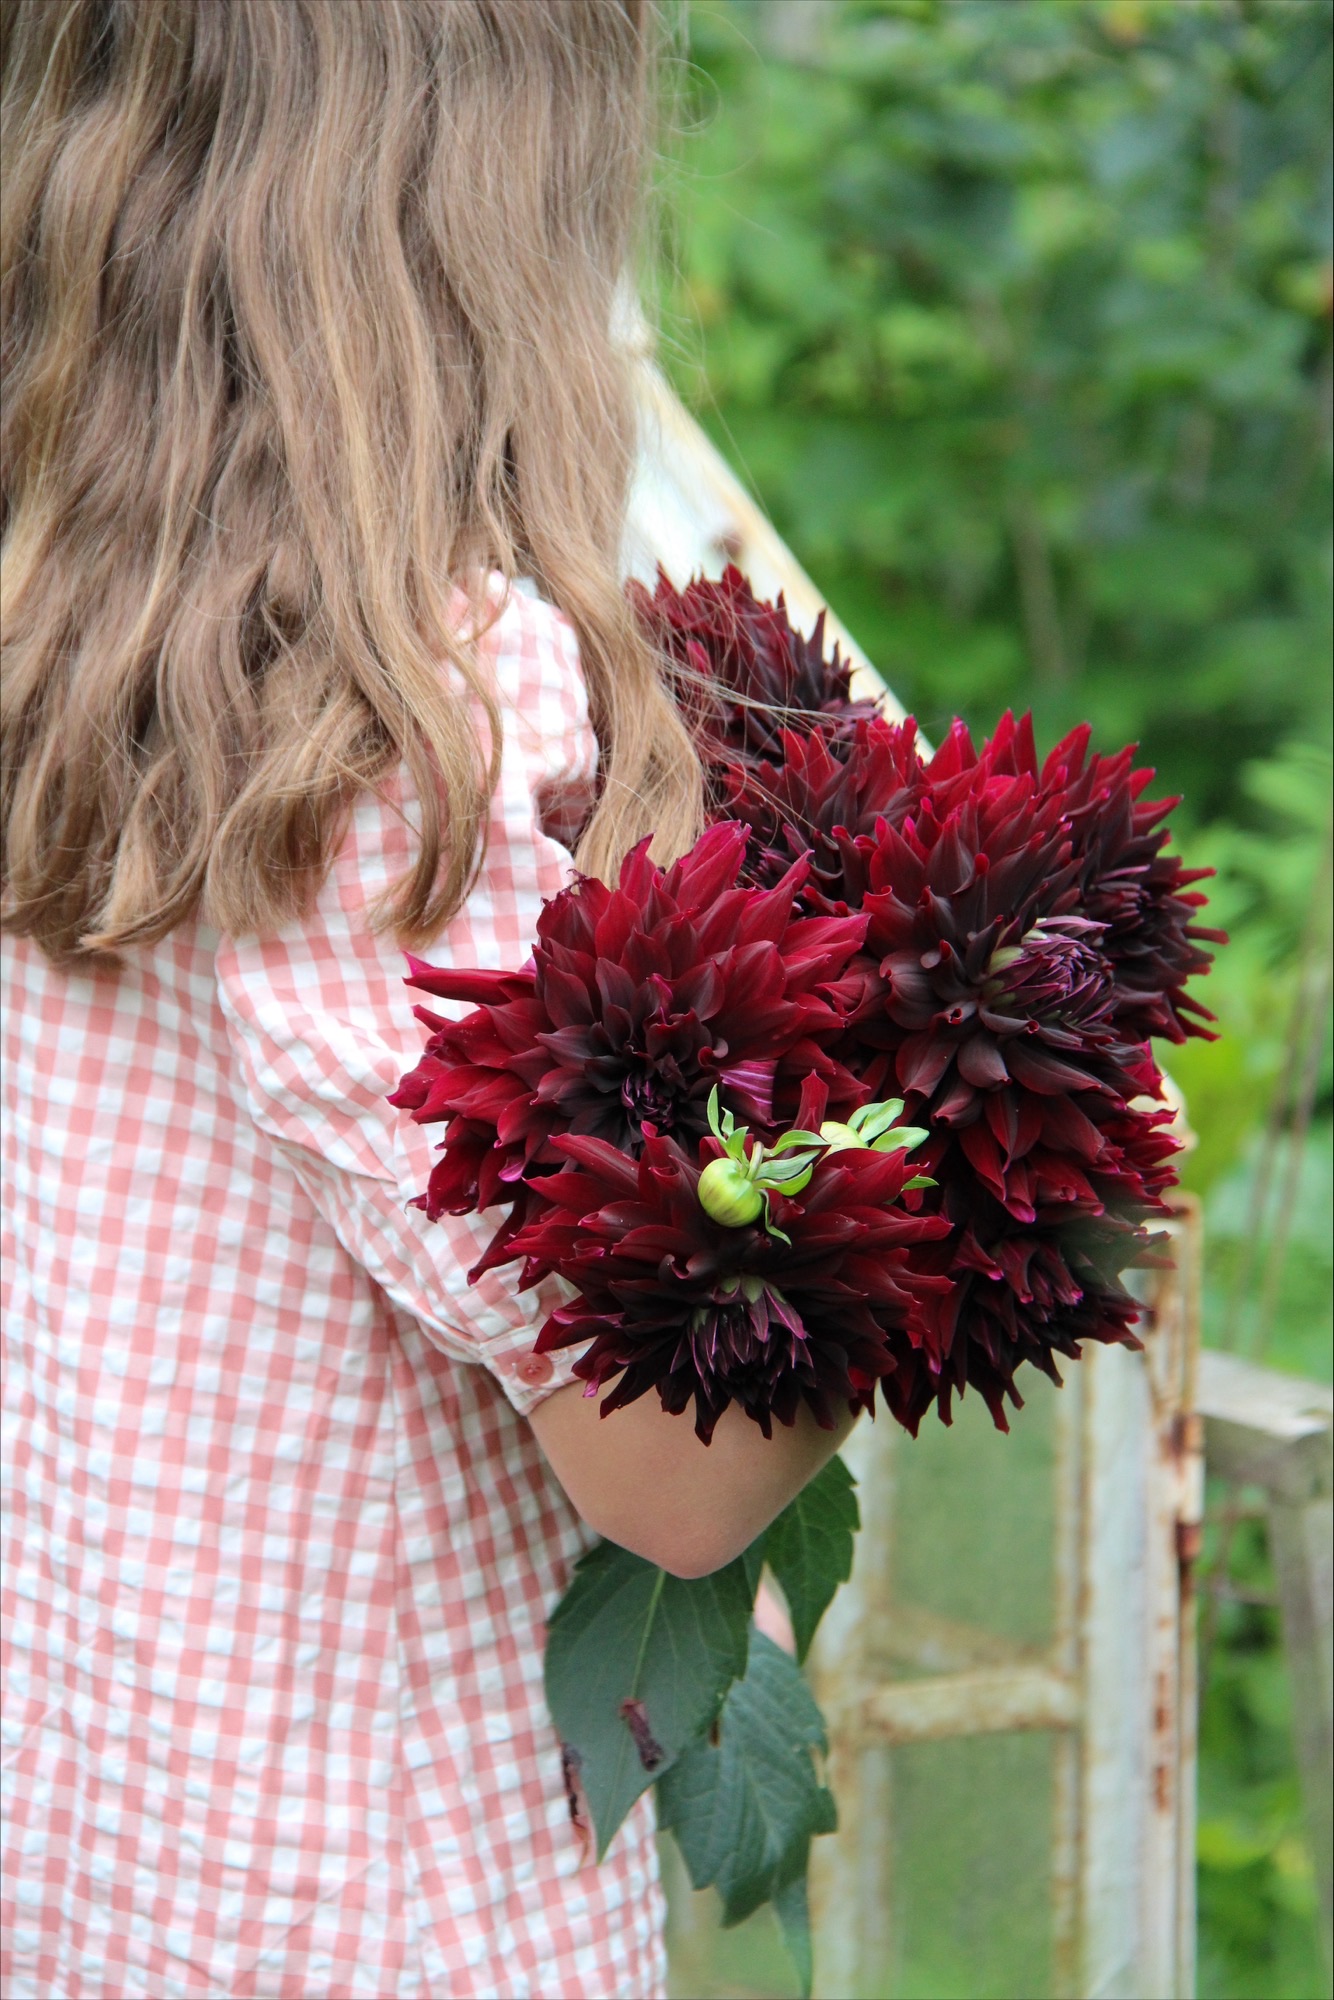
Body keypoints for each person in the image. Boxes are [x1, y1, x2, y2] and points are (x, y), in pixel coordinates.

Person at [0, 5, 850, 1995]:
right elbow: (667, 1465)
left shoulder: (58, 617)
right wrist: (1005, 1168)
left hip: (91, 1843)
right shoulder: (396, 725)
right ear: (486, 225)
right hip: (353, 1905)